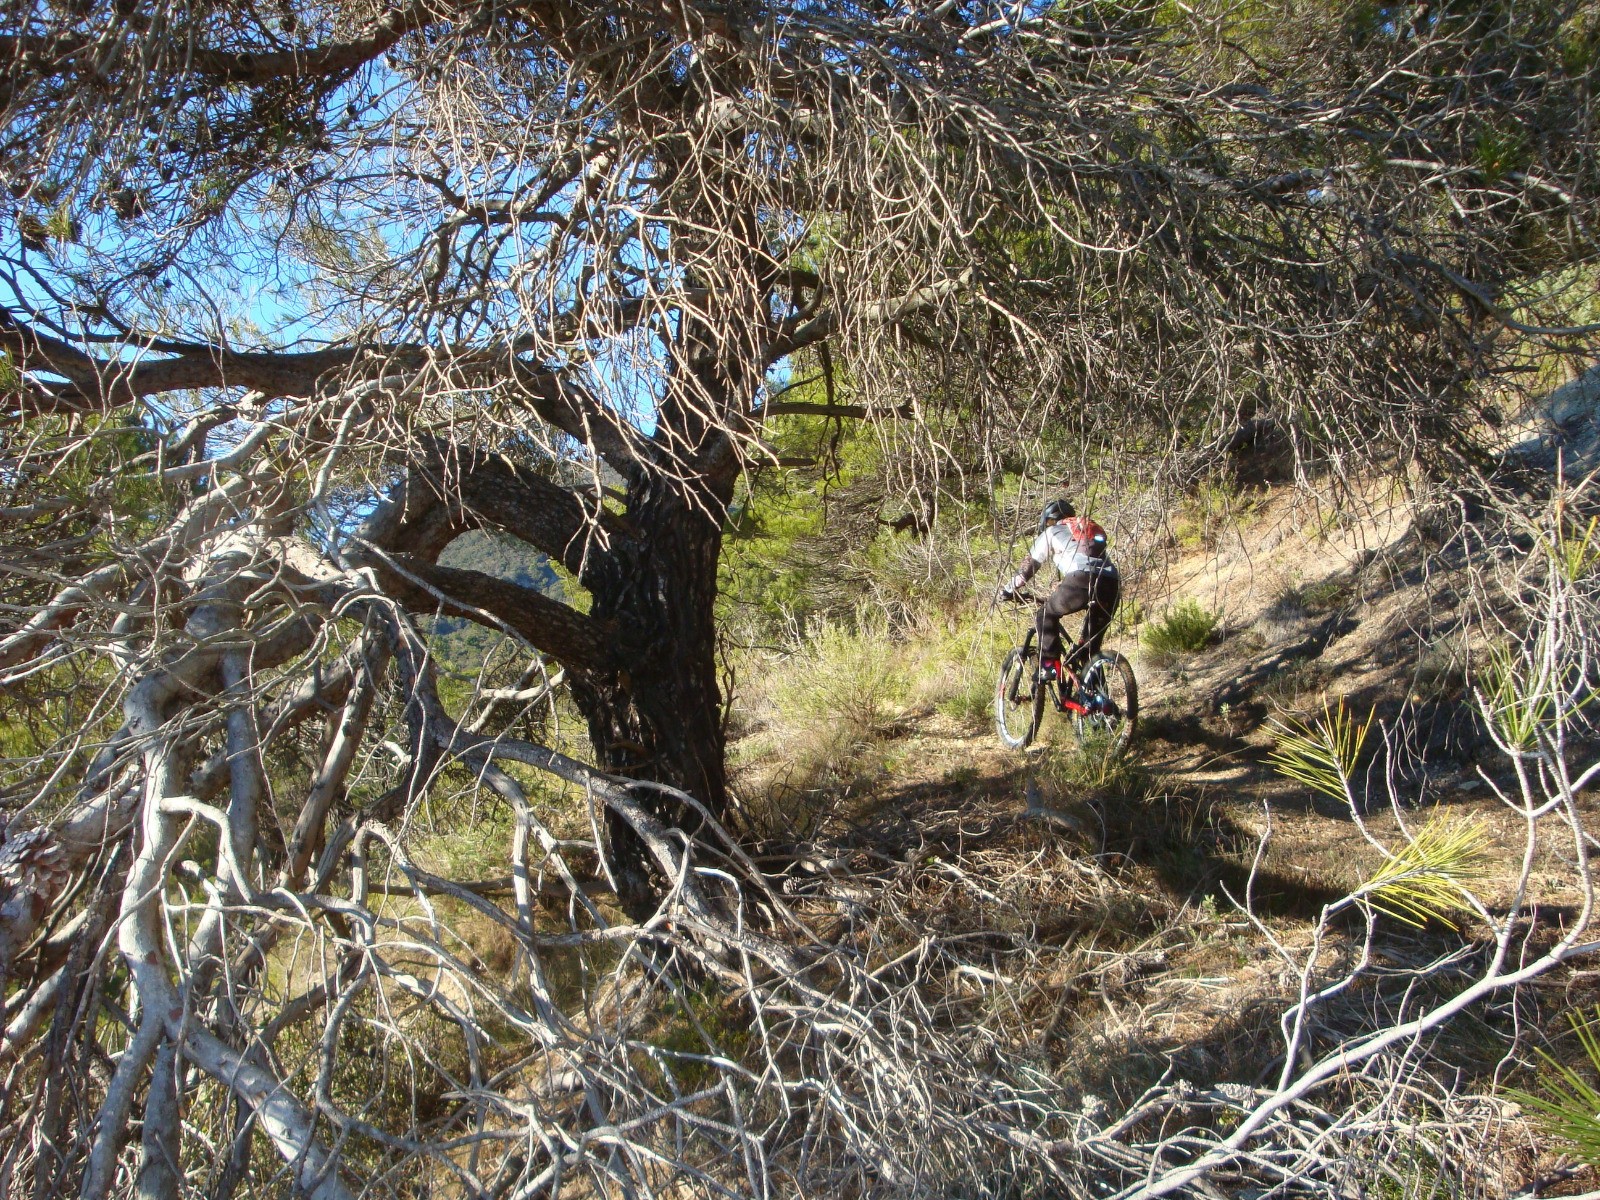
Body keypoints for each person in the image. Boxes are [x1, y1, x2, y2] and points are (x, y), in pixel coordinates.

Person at [997, 497, 1120, 690]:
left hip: (1080, 580)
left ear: (1049, 520)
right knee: (1089, 651)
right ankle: (1099, 701)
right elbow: (1091, 561)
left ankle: (1048, 666)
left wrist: (1008, 589)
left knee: (1045, 614)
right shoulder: (1084, 529)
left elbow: (1028, 568)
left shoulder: (1052, 531)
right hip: (1111, 583)